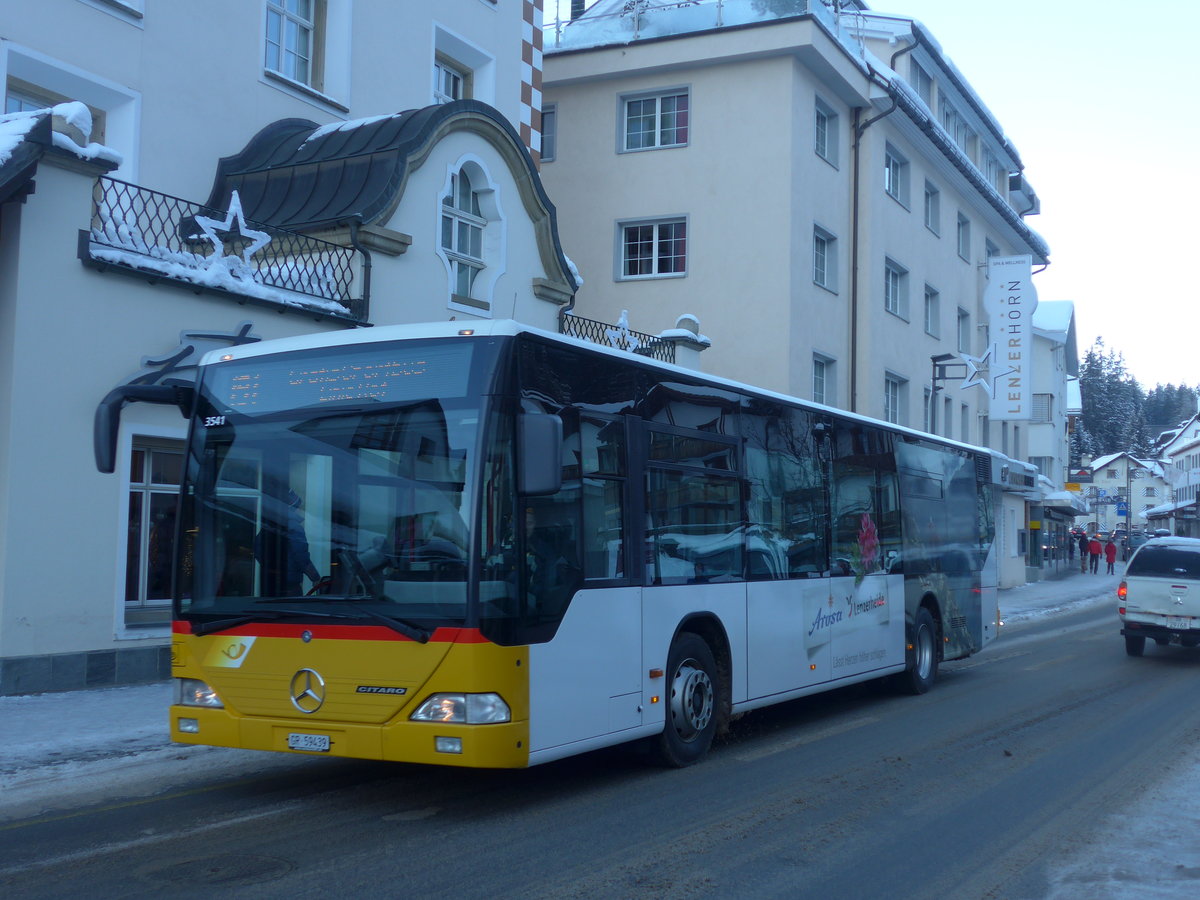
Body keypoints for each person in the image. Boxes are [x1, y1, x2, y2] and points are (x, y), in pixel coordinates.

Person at [255, 489, 321, 596]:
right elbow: (301, 557)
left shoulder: (269, 526)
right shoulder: (294, 527)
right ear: (292, 508)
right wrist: (315, 578)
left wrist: (271, 568)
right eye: (298, 508)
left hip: (270, 582)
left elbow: (258, 550)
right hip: (290, 584)